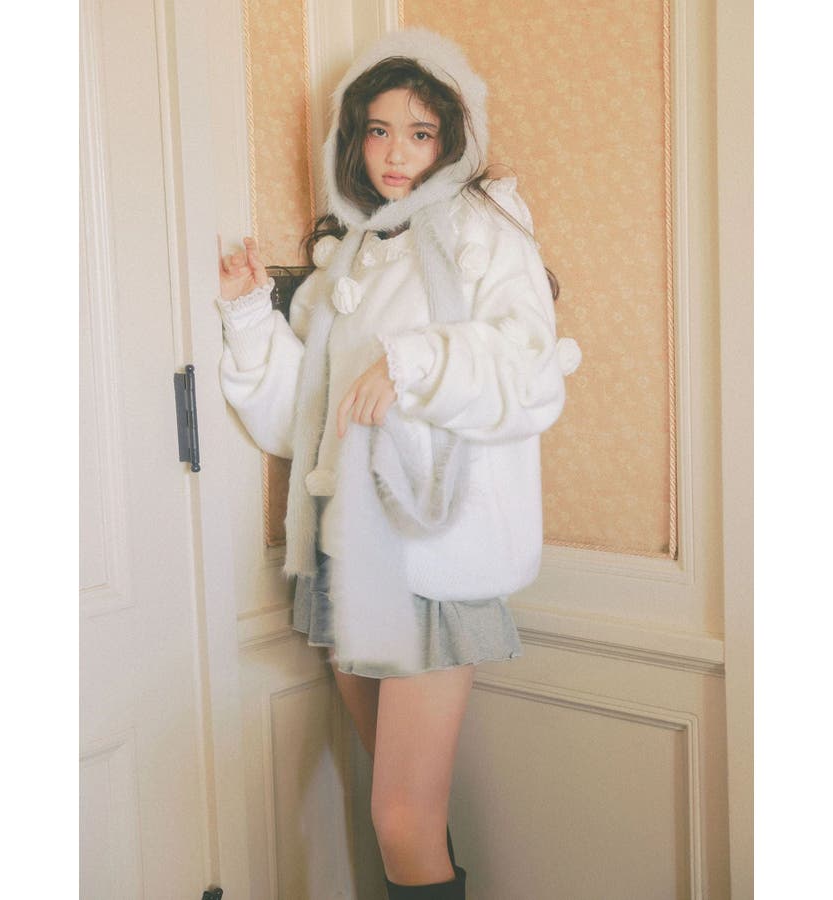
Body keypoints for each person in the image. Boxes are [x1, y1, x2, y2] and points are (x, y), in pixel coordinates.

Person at [216, 28, 580, 899]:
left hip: (432, 556)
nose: (394, 153)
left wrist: (412, 363)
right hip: (350, 554)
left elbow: (529, 368)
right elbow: (303, 420)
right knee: (404, 808)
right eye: (377, 130)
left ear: (453, 139)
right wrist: (249, 315)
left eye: (419, 133)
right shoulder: (350, 254)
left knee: (400, 820)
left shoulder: (486, 231)